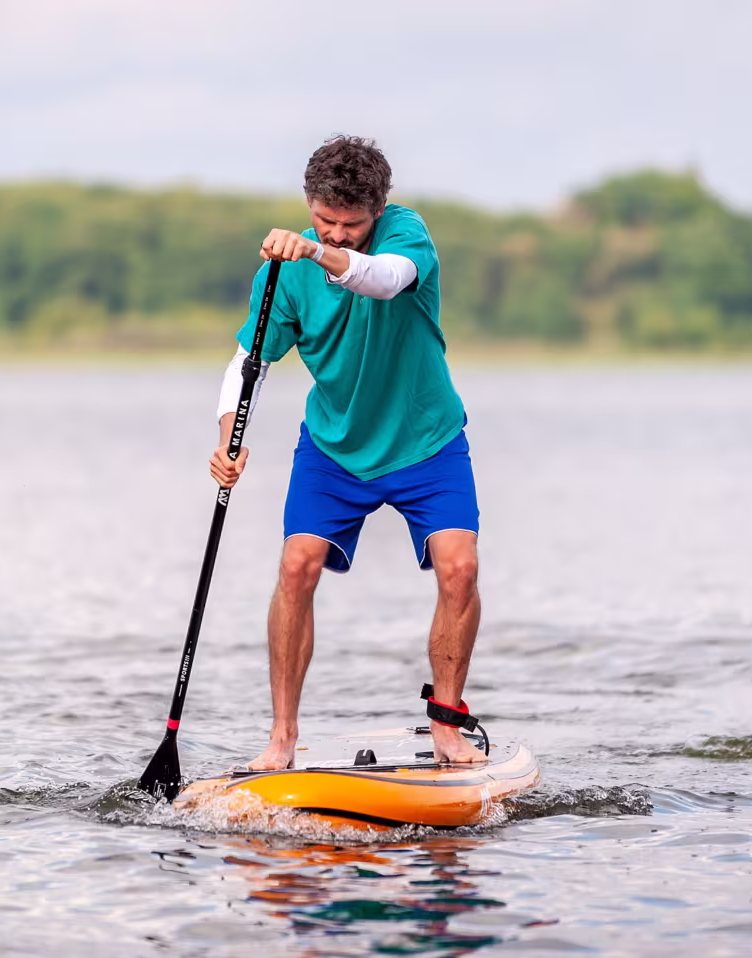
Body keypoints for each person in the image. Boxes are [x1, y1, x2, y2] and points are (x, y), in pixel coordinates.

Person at [210, 135, 486, 771]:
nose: (337, 231)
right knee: (296, 567)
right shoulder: (281, 272)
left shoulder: (406, 236)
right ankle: (281, 739)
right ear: (309, 201)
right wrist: (229, 433)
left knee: (460, 568)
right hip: (334, 447)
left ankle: (447, 726)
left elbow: (383, 282)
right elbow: (250, 360)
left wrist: (320, 250)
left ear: (377, 211)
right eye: (323, 218)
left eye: (350, 224)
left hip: (426, 439)